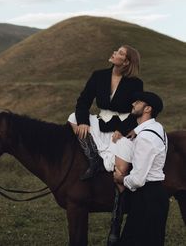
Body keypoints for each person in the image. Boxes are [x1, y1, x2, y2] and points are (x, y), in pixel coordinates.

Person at [68, 45, 143, 181]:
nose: (114, 53)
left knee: (116, 166)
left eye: (119, 53)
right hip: (102, 121)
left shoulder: (135, 83)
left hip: (122, 125)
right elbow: (83, 101)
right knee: (73, 118)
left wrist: (122, 129)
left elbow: (137, 111)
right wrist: (83, 122)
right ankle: (94, 159)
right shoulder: (99, 76)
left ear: (126, 62)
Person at [113, 91, 169, 246]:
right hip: (157, 196)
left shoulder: (144, 138)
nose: (133, 104)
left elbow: (137, 180)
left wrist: (120, 179)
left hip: (146, 198)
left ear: (147, 109)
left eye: (137, 102)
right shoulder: (159, 129)